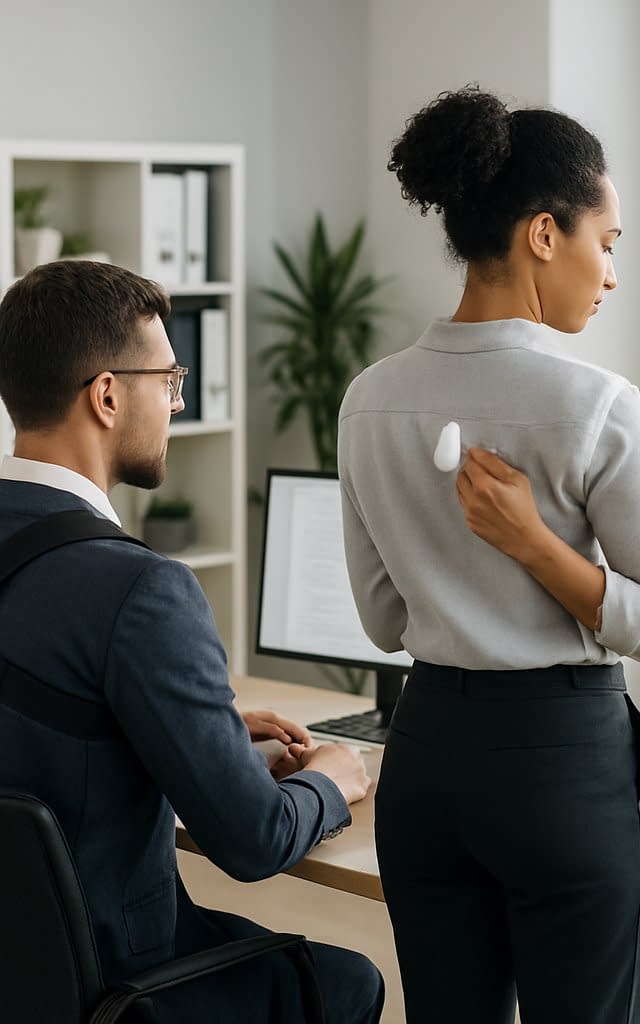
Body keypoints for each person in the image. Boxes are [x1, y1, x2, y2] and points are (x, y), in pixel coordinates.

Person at [337, 86, 640, 1024]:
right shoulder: (597, 403)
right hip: (560, 769)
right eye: (607, 243)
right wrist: (536, 548)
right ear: (545, 233)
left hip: (425, 765)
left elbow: (384, 622)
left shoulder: (368, 399)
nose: (610, 273)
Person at [0, 260, 384, 1023]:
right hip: (116, 976)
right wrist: (334, 778)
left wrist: (172, 728)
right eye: (168, 380)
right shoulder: (139, 591)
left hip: (19, 969)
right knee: (354, 981)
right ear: (108, 396)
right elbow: (253, 841)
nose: (177, 403)